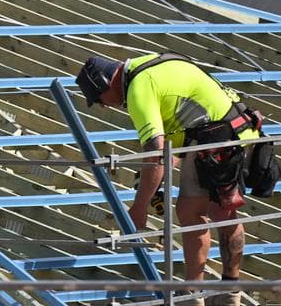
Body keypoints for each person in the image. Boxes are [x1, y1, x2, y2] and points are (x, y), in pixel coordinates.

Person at [76, 52, 264, 305]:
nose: (102, 105)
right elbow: (171, 145)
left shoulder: (138, 89)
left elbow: (156, 153)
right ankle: (229, 291)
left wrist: (139, 209)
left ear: (104, 82)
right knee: (221, 212)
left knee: (191, 211)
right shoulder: (148, 65)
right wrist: (153, 181)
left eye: (99, 98)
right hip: (239, 128)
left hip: (217, 137)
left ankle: (193, 294)